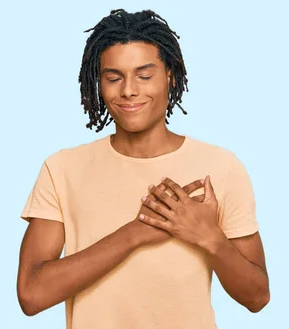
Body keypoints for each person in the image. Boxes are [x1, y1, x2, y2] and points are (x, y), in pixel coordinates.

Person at [17, 8, 269, 329]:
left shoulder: (221, 167)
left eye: (144, 75)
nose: (129, 90)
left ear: (170, 77)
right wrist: (134, 234)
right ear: (98, 82)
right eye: (113, 77)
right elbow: (31, 295)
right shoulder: (63, 169)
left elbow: (257, 297)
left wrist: (209, 237)